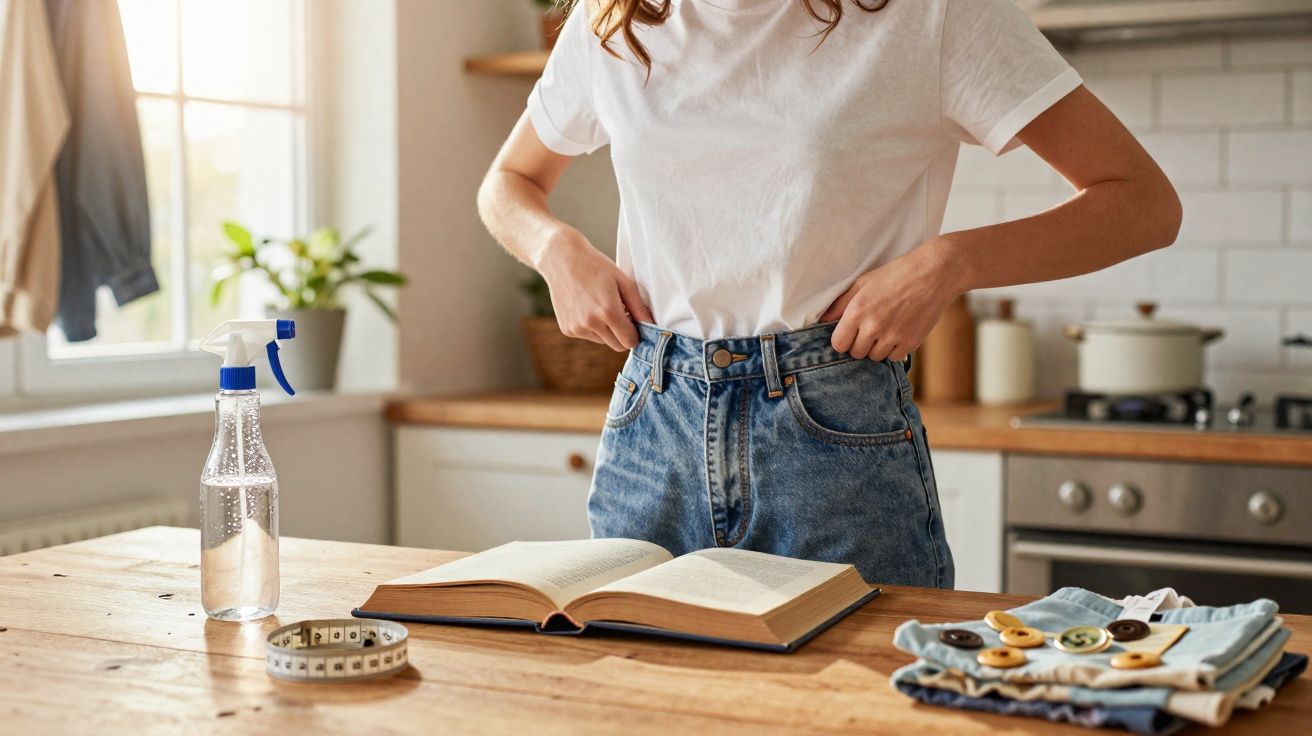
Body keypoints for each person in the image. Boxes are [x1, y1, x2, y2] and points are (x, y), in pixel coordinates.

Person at [477, 0, 1181, 588]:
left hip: (832, 432)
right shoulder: (617, 22)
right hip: (651, 426)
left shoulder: (931, 15)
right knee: (644, 703)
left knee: (860, 708)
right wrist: (554, 249)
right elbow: (509, 182)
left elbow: (1142, 202)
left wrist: (950, 262)